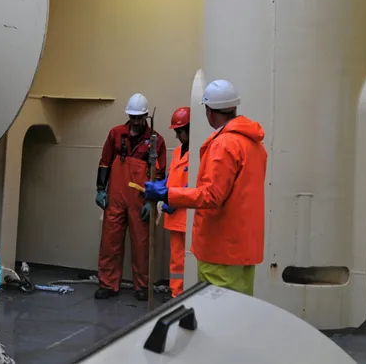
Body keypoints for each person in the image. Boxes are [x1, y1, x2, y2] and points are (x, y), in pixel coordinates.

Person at [144, 80, 267, 296]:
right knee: (240, 311)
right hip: (244, 246)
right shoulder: (253, 144)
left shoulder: (224, 144)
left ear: (210, 112)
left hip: (221, 249)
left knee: (219, 313)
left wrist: (167, 194)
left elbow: (211, 196)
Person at [95, 93, 166, 301]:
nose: (136, 121)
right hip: (115, 196)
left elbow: (159, 173)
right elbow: (105, 162)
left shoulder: (156, 141)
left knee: (142, 243)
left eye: (140, 117)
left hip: (140, 199)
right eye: (133, 117)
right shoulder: (116, 134)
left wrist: (152, 201)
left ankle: (142, 286)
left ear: (146, 116)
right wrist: (100, 189)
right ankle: (108, 284)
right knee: (110, 241)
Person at [160, 106, 191, 298]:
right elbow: (174, 176)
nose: (178, 136)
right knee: (176, 259)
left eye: (180, 131)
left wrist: (172, 197)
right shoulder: (178, 152)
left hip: (188, 215)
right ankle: (176, 294)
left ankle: (186, 294)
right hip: (175, 216)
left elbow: (194, 183)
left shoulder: (200, 152)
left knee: (188, 259)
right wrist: (163, 186)